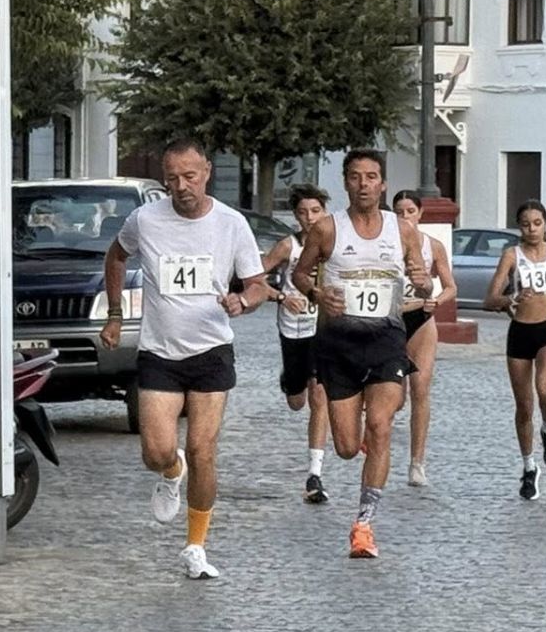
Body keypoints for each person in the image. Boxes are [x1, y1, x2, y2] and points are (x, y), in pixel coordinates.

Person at [98, 139, 269, 580]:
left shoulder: (231, 224)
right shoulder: (145, 219)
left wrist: (242, 302)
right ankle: (171, 472)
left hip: (211, 349)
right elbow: (115, 256)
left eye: (189, 176)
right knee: (156, 451)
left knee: (203, 448)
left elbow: (256, 284)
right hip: (160, 350)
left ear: (207, 172)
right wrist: (116, 314)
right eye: (172, 178)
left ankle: (196, 546)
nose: (181, 186)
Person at [290, 150, 431, 559]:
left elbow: (421, 283)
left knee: (383, 425)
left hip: (387, 339)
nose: (364, 184)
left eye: (372, 177)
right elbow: (300, 273)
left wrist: (422, 284)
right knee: (348, 447)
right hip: (340, 345)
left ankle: (363, 525)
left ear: (382, 184)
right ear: (346, 183)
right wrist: (316, 292)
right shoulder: (326, 230)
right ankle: (362, 441)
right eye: (356, 177)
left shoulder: (402, 229)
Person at [486, 200, 546, 500]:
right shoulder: (511, 255)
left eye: (537, 223)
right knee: (524, 406)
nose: (532, 229)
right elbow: (490, 298)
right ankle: (529, 467)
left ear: (545, 223)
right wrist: (510, 297)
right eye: (526, 224)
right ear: (520, 227)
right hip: (519, 333)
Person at [262, 184, 330, 503]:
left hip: (323, 329)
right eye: (303, 213)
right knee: (297, 401)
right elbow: (253, 276)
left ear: (325, 212)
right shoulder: (287, 246)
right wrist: (280, 296)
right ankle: (289, 381)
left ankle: (314, 475)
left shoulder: (334, 243)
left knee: (320, 396)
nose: (310, 218)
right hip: (293, 330)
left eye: (315, 211)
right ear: (295, 216)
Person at [389, 189, 456, 489]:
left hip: (421, 320)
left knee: (421, 389)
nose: (406, 217)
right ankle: (377, 445)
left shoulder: (433, 246)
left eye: (410, 211)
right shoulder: (383, 244)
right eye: (400, 212)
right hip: (390, 321)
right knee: (394, 397)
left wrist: (437, 300)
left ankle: (417, 463)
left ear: (420, 214)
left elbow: (451, 286)